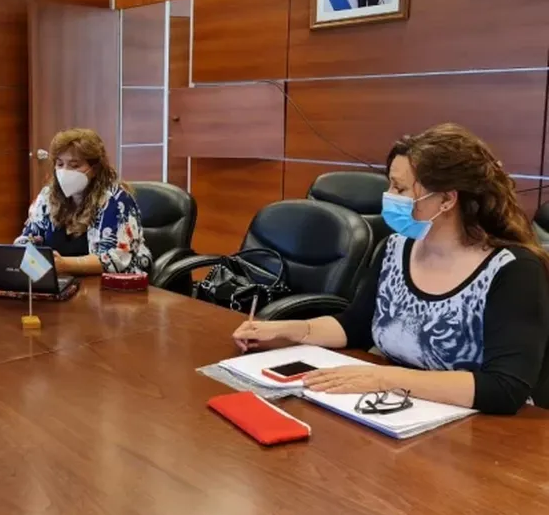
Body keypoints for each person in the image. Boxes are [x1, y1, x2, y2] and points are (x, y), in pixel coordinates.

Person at [232, 123, 549, 415]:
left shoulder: (514, 270)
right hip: (397, 410)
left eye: (399, 188)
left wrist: (384, 379)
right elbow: (355, 326)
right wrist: (287, 331)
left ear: (446, 200)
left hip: (483, 432)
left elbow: (505, 388)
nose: (388, 197)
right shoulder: (395, 248)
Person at [17, 128, 151, 275]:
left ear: (94, 169)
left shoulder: (116, 199)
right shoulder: (47, 196)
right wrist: (40, 272)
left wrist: (64, 265)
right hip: (61, 282)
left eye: (74, 165)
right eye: (60, 164)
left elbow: (118, 259)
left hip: (110, 284)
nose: (65, 171)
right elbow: (25, 241)